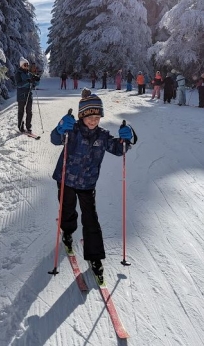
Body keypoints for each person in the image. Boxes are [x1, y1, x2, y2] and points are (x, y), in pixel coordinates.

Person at [50, 88, 136, 283]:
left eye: (97, 117)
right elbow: (55, 140)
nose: (93, 120)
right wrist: (60, 128)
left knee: (91, 220)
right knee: (67, 210)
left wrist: (125, 140)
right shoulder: (71, 131)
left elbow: (117, 148)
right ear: (81, 116)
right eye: (89, 117)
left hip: (88, 184)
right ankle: (68, 232)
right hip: (66, 179)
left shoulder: (102, 136)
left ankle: (95, 257)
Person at [15, 57, 40, 133]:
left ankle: (28, 126)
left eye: (27, 65)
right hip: (21, 95)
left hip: (29, 94)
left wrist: (37, 80)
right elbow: (18, 85)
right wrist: (27, 81)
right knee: (21, 112)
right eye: (25, 65)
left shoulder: (29, 74)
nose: (27, 66)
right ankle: (20, 126)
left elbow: (34, 84)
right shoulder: (18, 73)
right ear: (21, 65)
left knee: (29, 111)